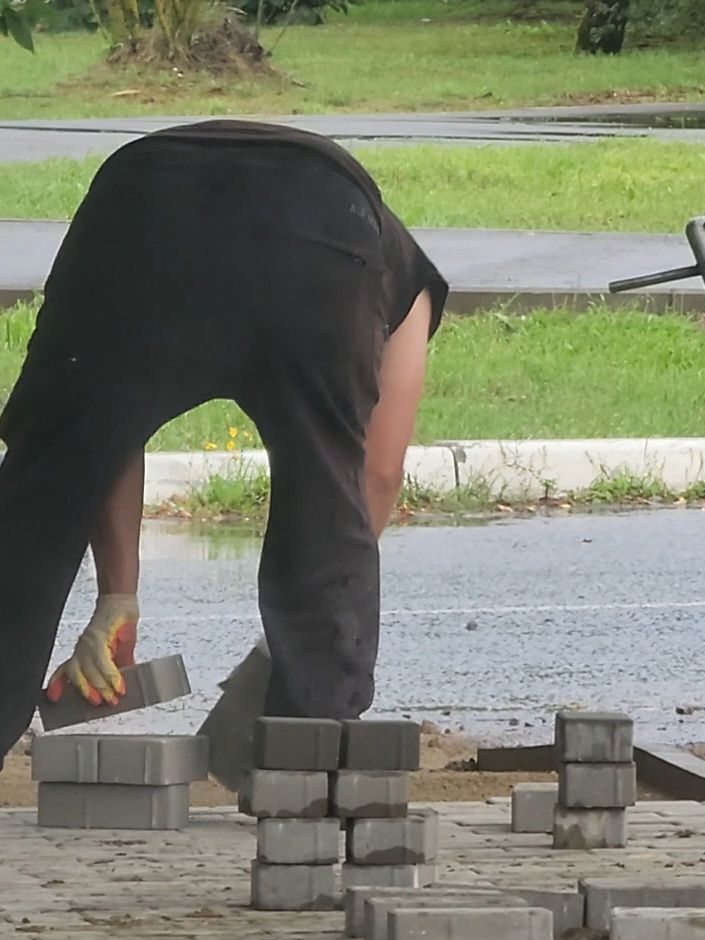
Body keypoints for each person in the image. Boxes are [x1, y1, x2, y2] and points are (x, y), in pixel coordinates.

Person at [0, 120, 447, 762]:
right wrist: (310, 628)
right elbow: (372, 477)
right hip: (316, 240)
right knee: (326, 481)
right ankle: (309, 760)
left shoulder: (385, 253)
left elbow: (101, 424)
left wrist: (117, 595)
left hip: (135, 210)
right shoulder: (405, 273)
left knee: (40, 496)